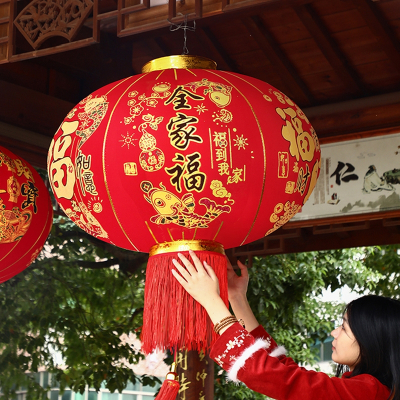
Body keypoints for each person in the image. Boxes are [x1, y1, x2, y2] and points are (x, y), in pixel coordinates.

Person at [171, 250, 400, 400]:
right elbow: (284, 370)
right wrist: (237, 299)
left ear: (372, 340)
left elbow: (282, 379)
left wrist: (211, 301)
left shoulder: (368, 392)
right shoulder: (366, 389)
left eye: (345, 327)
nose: (334, 332)